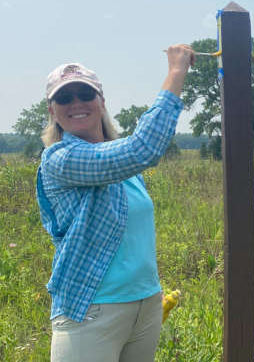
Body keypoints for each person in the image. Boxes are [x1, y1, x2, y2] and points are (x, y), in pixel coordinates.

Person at [36, 44, 196, 362]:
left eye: (86, 93)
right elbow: (143, 148)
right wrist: (177, 72)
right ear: (52, 111)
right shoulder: (60, 158)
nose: (76, 102)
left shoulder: (122, 163)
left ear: (101, 102)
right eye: (64, 98)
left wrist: (148, 298)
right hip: (90, 309)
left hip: (146, 304)